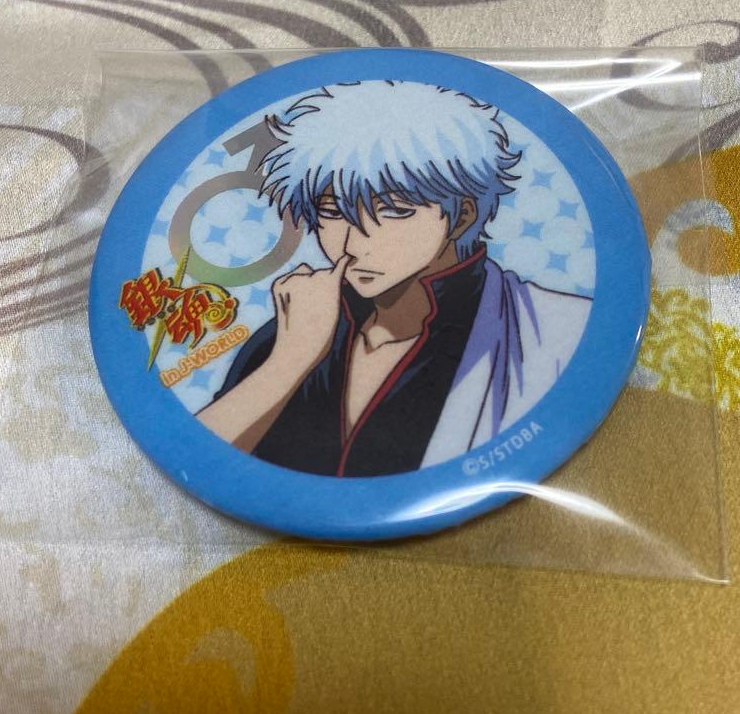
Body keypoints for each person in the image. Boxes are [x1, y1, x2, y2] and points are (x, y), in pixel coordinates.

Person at [197, 80, 590, 477]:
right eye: (332, 211)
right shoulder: (286, 334)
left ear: (463, 216)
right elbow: (197, 458)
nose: (352, 243)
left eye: (393, 210)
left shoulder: (556, 329)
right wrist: (289, 360)